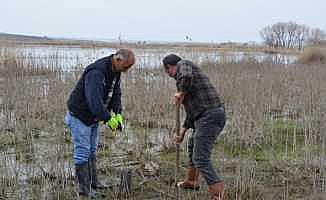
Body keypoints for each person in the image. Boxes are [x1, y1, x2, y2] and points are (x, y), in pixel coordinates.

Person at [65, 49, 135, 198]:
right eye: (125, 67)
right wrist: (108, 119)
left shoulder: (116, 71)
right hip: (80, 115)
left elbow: (115, 93)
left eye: (128, 68)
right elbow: (94, 101)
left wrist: (118, 113)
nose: (126, 71)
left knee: (91, 150)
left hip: (93, 117)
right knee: (83, 151)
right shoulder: (97, 72)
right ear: (117, 59)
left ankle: (94, 182)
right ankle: (84, 189)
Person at [162, 54, 226, 200]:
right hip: (203, 117)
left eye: (168, 72)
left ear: (169, 67)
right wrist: (183, 133)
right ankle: (191, 181)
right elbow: (191, 113)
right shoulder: (184, 83)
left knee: (201, 158)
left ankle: (219, 195)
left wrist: (181, 92)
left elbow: (186, 76)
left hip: (210, 116)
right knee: (192, 144)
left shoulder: (183, 64)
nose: (170, 76)